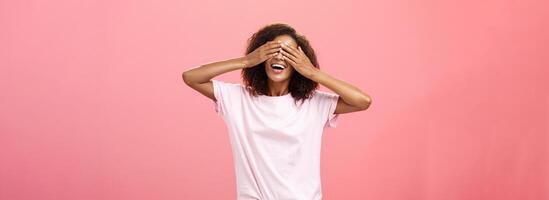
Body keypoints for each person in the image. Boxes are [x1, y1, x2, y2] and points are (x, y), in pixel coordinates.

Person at [182, 23, 372, 200]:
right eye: (273, 50)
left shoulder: (313, 104)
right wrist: (246, 61)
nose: (280, 57)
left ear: (300, 62)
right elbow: (191, 77)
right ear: (261, 57)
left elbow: (362, 101)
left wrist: (313, 72)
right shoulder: (237, 98)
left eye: (288, 53)